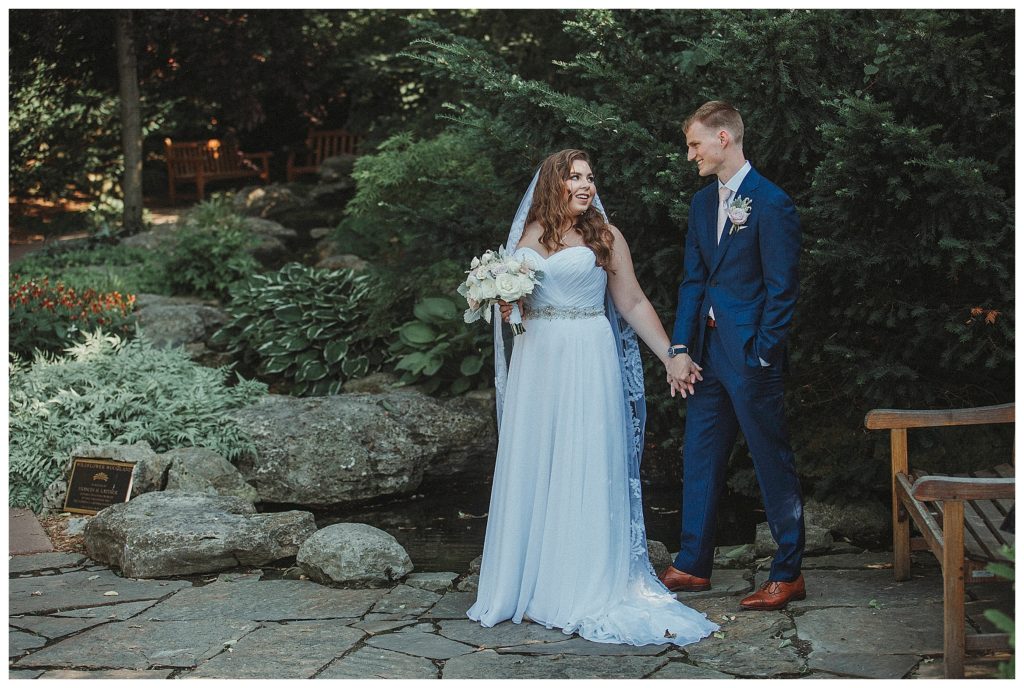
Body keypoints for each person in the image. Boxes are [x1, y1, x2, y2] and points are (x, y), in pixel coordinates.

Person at [467, 149, 717, 646]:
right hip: (538, 362)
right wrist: (502, 299)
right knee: (540, 462)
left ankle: (584, 583)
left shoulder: (605, 235)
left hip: (587, 353)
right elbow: (515, 314)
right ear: (553, 184)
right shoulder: (528, 237)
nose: (586, 184)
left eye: (589, 177)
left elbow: (632, 301)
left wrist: (672, 355)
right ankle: (535, 583)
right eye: (574, 177)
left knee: (585, 460)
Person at [661, 101, 806, 611]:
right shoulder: (703, 205)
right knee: (700, 454)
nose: (689, 155)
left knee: (771, 460)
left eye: (695, 144)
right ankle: (692, 564)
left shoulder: (771, 203)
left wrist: (763, 352)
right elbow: (693, 281)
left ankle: (788, 572)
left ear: (724, 138)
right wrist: (680, 348)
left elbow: (782, 289)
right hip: (705, 356)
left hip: (749, 357)